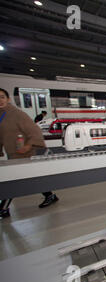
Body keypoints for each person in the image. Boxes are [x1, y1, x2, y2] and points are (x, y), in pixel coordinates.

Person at [0, 88, 58, 219]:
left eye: (2, 97)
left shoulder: (17, 114)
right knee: (30, 177)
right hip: (13, 152)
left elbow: (35, 131)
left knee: (14, 180)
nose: (0, 100)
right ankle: (50, 195)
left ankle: (3, 208)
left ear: (8, 99)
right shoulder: (1, 114)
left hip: (24, 152)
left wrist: (28, 145)